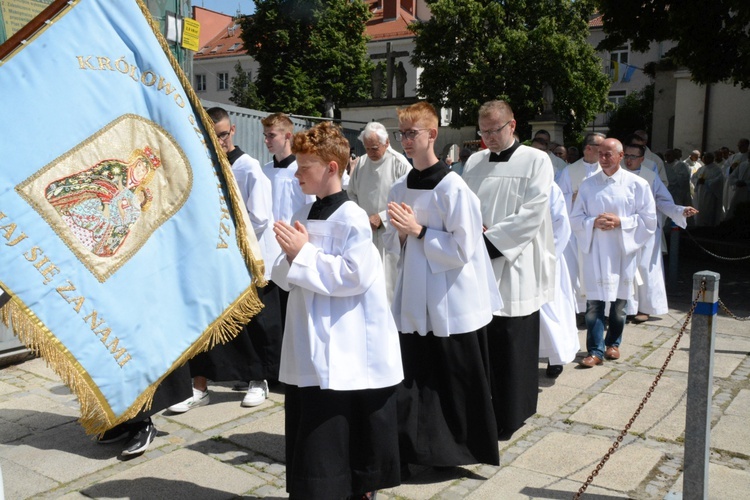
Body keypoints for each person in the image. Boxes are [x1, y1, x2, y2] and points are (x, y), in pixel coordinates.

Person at [272, 121, 403, 500]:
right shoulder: (305, 209)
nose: (297, 173)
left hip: (344, 337)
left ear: (332, 167)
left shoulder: (352, 217)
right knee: (309, 413)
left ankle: (350, 489)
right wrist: (288, 257)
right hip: (309, 329)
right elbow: (286, 272)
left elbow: (355, 276)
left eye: (305, 165)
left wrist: (303, 253)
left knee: (339, 420)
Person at [384, 101, 502, 472]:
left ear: (432, 134)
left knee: (451, 377)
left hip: (448, 295)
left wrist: (417, 232)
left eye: (411, 133)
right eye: (400, 133)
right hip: (413, 292)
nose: (404, 140)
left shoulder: (454, 188)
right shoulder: (399, 186)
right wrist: (402, 236)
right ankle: (413, 447)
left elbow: (465, 248)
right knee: (415, 372)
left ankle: (456, 449)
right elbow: (392, 243)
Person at [168, 107, 282, 412]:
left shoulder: (248, 167)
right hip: (214, 258)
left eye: (221, 134)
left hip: (249, 257)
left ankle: (259, 380)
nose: (217, 141)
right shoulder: (203, 163)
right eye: (210, 135)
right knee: (208, 320)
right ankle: (199, 384)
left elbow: (259, 217)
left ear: (232, 131)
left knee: (255, 321)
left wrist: (231, 242)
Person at [462, 100, 555, 438]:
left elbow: (533, 211)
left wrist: (491, 241)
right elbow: (463, 205)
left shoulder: (536, 160)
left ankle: (513, 413)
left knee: (512, 341)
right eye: (483, 132)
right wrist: (472, 233)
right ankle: (485, 409)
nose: (489, 138)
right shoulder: (473, 162)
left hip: (515, 262)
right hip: (479, 261)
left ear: (512, 126)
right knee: (484, 339)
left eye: (495, 130)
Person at [570, 138, 656, 367]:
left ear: (621, 156)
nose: (604, 158)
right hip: (595, 251)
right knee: (594, 304)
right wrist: (592, 223)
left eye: (609, 154)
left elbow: (649, 220)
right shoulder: (588, 185)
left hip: (621, 252)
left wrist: (621, 222)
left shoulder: (637, 184)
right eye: (601, 154)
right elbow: (575, 218)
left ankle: (613, 344)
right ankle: (595, 351)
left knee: (619, 304)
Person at [622, 143, 697, 323]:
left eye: (633, 156)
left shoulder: (650, 177)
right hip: (622, 229)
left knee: (647, 267)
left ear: (642, 159)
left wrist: (679, 211)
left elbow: (663, 201)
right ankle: (624, 306)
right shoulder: (616, 174)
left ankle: (645, 308)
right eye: (626, 155)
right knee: (624, 268)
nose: (629, 159)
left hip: (646, 230)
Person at [260, 112, 316, 333]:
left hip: (293, 249)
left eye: (271, 135)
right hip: (268, 251)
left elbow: (310, 208)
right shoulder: (263, 171)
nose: (266, 141)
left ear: (288, 136)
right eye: (265, 136)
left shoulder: (300, 171)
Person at [347, 121, 411, 302]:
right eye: (367, 148)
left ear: (387, 143)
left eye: (374, 148)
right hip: (365, 232)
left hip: (391, 233)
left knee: (389, 284)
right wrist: (361, 217)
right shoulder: (361, 163)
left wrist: (382, 217)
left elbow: (409, 200)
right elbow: (351, 194)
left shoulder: (400, 164)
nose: (370, 153)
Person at [556, 132, 605, 314]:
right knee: (575, 271)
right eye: (601, 149)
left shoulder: (607, 169)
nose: (604, 154)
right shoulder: (569, 171)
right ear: (589, 149)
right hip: (576, 231)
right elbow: (559, 199)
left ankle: (601, 311)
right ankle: (578, 310)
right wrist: (573, 197)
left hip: (599, 230)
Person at [539, 182, 579, 378]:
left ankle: (555, 358)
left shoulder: (549, 186)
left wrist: (547, 256)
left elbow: (562, 224)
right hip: (514, 258)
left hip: (547, 257)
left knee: (551, 308)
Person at [691, 151, 725, 226]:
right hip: (700, 193)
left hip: (710, 194)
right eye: (704, 157)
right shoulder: (701, 168)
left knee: (708, 211)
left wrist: (706, 182)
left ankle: (708, 226)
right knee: (700, 210)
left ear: (712, 159)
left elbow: (718, 181)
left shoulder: (716, 169)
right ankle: (699, 224)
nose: (705, 159)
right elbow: (694, 177)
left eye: (707, 158)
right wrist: (698, 181)